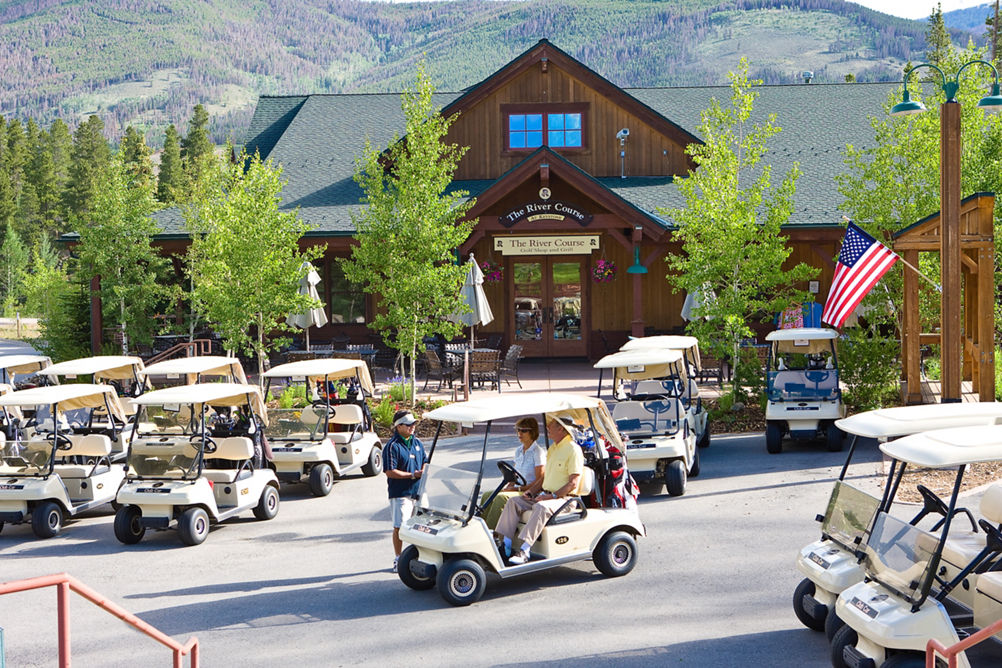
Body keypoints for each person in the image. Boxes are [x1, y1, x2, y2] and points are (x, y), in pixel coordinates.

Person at [495, 415, 584, 565]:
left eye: (551, 425)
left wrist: (552, 496)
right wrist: (531, 491)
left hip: (565, 499)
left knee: (541, 507)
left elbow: (573, 483)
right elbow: (544, 478)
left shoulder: (573, 450)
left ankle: (525, 550)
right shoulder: (553, 449)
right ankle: (506, 546)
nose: (547, 427)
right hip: (547, 495)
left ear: (561, 429)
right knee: (513, 502)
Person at [480, 416, 546, 528]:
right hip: (517, 488)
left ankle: (492, 532)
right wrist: (509, 485)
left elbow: (539, 481)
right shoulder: (518, 451)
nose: (519, 433)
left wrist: (516, 489)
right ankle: (481, 528)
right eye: (518, 430)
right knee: (487, 495)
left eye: (523, 430)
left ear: (532, 432)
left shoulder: (537, 452)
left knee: (501, 498)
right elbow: (514, 474)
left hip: (529, 492)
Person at [383, 409, 426, 571]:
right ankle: (398, 558)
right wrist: (413, 475)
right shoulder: (392, 446)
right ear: (398, 426)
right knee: (400, 526)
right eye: (408, 425)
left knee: (422, 526)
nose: (412, 427)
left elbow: (425, 461)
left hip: (418, 492)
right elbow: (390, 471)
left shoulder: (417, 443)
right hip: (400, 493)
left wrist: (423, 470)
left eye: (413, 424)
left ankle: (421, 556)